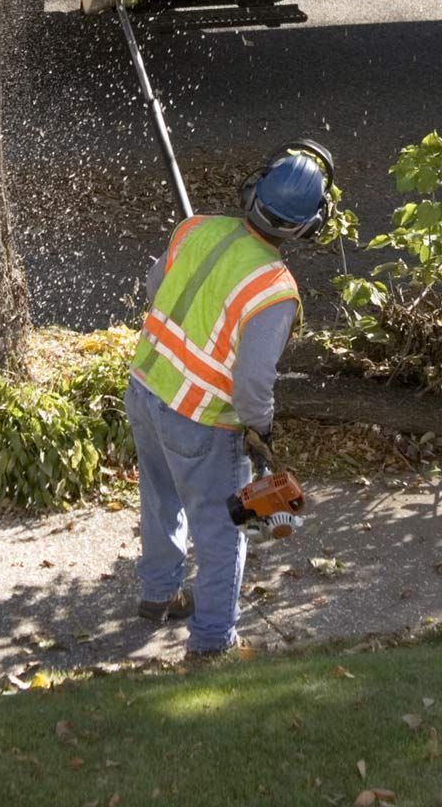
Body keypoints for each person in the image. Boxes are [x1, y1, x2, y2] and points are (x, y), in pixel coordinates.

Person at [124, 140, 332, 659]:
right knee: (221, 534)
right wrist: (261, 428)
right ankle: (213, 644)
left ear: (252, 191)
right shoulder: (273, 289)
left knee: (159, 498)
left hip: (145, 389)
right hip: (200, 421)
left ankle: (160, 594)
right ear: (308, 227)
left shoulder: (196, 229)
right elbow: (252, 384)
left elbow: (155, 290)